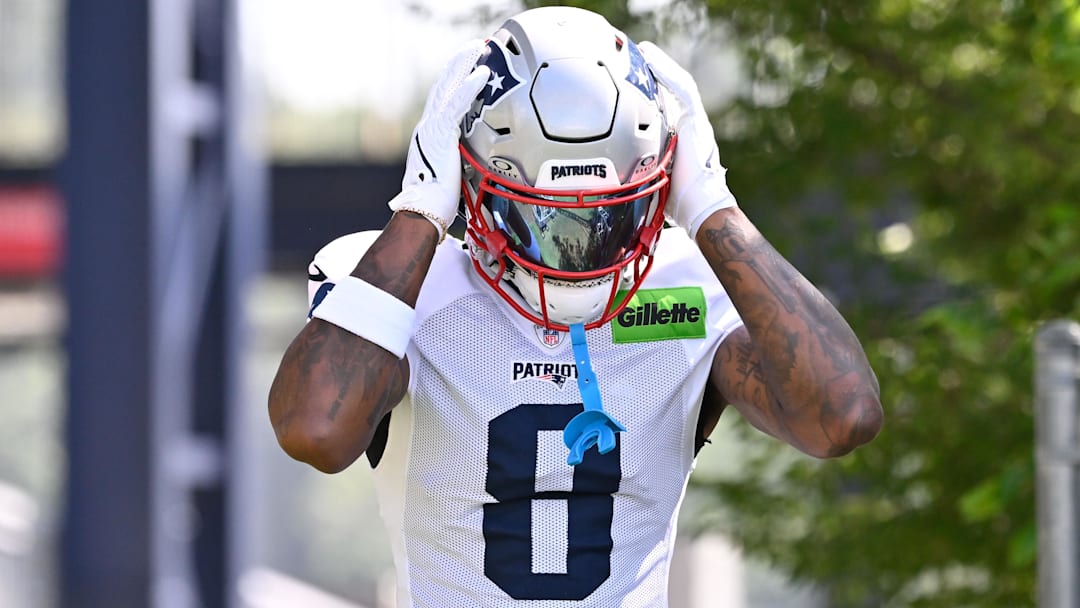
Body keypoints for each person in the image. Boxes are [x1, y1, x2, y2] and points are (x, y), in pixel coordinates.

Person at [268, 6, 882, 607]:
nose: (577, 249)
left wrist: (713, 210)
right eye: (545, 217)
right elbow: (316, 430)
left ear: (656, 185)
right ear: (472, 183)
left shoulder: (685, 285)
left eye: (608, 214)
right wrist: (420, 212)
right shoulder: (404, 290)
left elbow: (842, 415)